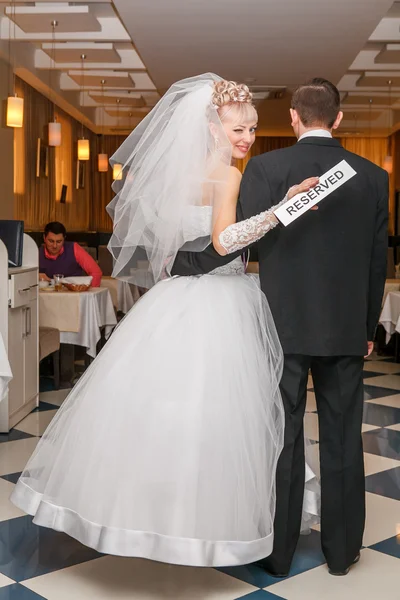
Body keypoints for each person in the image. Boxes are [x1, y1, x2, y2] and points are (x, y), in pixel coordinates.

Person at [11, 75, 316, 567]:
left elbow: (171, 252)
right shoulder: (229, 176)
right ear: (213, 127)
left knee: (159, 408)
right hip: (221, 299)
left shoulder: (171, 175)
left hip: (174, 299)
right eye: (238, 128)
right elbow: (222, 243)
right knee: (223, 412)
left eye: (253, 128)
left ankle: (144, 516)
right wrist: (282, 212)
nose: (247, 138)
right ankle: (210, 523)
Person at [171, 78, 389, 576]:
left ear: (292, 118)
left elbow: (239, 245)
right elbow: (378, 261)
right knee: (342, 436)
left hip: (279, 327)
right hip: (343, 330)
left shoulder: (264, 169)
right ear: (337, 119)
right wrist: (367, 326)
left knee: (284, 439)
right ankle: (341, 552)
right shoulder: (374, 177)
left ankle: (279, 552)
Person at [39, 221, 102, 287]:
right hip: (46, 295)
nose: (55, 246)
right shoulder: (36, 253)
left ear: (64, 239)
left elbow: (96, 272)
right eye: (51, 241)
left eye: (59, 241)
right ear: (44, 238)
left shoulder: (74, 248)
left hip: (74, 295)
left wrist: (89, 293)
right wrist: (36, 276)